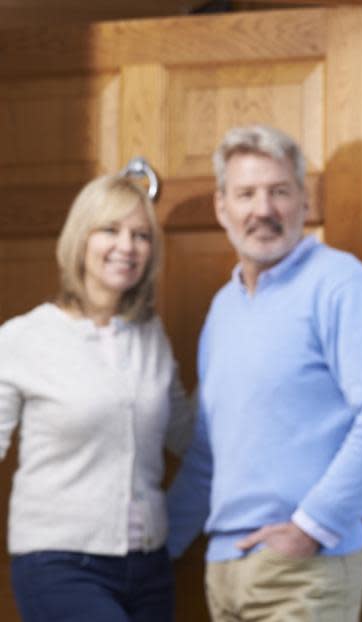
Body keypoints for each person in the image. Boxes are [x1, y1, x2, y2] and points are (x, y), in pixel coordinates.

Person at [166, 124, 362, 621]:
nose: (262, 210)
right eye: (246, 194)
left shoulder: (340, 285)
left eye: (279, 192)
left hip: (305, 572)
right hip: (223, 574)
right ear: (223, 208)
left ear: (304, 201)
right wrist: (159, 552)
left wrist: (310, 527)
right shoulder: (224, 309)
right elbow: (206, 452)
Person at [0, 175, 193, 621]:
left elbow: (186, 433)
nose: (127, 246)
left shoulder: (151, 336)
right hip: (59, 562)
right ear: (80, 238)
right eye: (110, 229)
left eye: (141, 235)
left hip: (149, 566)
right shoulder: (25, 338)